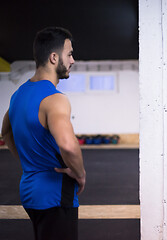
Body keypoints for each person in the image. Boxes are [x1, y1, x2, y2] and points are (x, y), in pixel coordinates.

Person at [1, 27, 86, 240]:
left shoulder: (18, 95)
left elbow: (6, 131)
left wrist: (29, 163)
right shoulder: (55, 98)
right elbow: (67, 145)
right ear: (54, 57)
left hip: (30, 191)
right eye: (69, 54)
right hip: (54, 194)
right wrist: (80, 174)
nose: (73, 60)